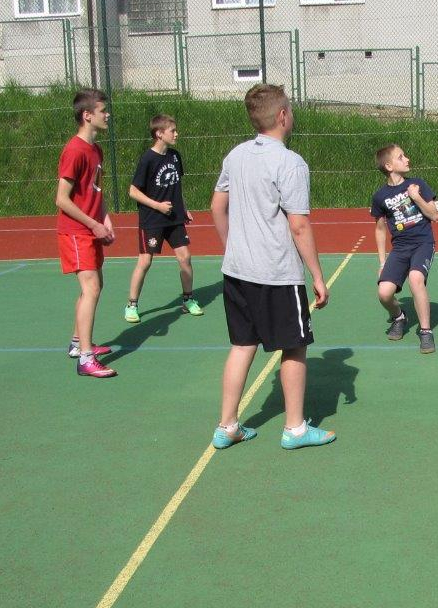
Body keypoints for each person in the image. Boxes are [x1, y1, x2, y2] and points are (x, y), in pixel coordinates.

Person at [210, 84, 336, 450]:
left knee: (242, 345)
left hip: (237, 271)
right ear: (282, 116)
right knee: (294, 346)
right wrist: (317, 276)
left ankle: (227, 425)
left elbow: (217, 207)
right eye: (290, 110)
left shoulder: (236, 155)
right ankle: (295, 429)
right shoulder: (290, 162)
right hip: (277, 273)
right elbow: (299, 225)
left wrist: (232, 247)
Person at [56, 88, 116, 379]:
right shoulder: (75, 150)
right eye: (103, 111)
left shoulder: (96, 150)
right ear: (87, 115)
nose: (108, 115)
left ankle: (77, 343)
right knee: (90, 288)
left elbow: (96, 191)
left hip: (90, 229)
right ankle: (86, 358)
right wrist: (92, 224)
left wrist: (105, 219)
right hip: (76, 232)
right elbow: (62, 199)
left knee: (94, 286)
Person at [124, 114, 201, 323]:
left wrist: (184, 209)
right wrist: (157, 206)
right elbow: (133, 191)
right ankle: (132, 305)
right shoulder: (147, 159)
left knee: (185, 257)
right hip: (152, 219)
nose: (176, 134)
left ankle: (188, 299)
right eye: (172, 131)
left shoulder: (174, 156)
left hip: (174, 218)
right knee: (145, 261)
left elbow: (176, 186)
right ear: (159, 134)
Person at [371, 144, 438, 353]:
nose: (407, 159)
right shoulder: (380, 196)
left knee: (416, 279)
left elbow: (434, 215)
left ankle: (425, 331)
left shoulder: (417, 184)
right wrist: (382, 262)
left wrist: (416, 197)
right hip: (400, 248)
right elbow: (380, 229)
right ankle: (399, 317)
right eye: (401, 157)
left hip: (423, 243)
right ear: (389, 166)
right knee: (384, 293)